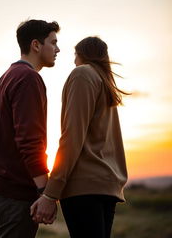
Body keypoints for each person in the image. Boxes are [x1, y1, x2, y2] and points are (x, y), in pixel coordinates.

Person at [31, 36, 128, 238]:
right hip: (106, 186)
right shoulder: (104, 82)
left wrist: (51, 193)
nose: (74, 62)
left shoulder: (83, 74)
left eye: (74, 56)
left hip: (84, 187)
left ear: (81, 55)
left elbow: (72, 137)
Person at [0, 19, 60, 238]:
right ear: (36, 45)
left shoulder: (7, 77)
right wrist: (46, 192)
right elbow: (30, 141)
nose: (58, 49)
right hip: (13, 192)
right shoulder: (28, 78)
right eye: (53, 42)